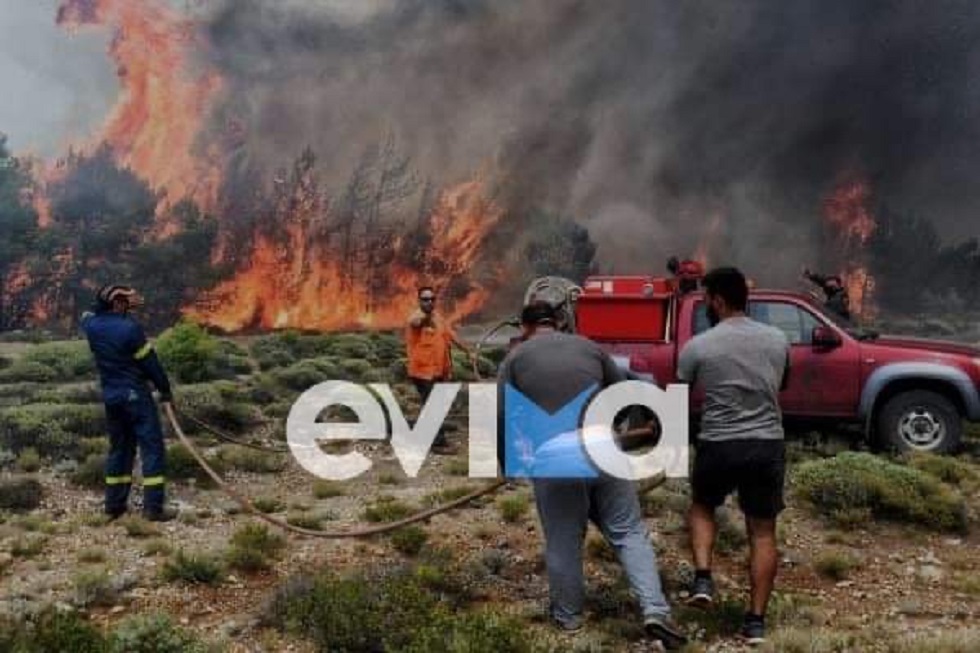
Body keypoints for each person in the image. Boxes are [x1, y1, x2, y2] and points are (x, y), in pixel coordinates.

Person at [496, 301, 687, 649]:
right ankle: (655, 610)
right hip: (604, 449)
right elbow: (624, 392)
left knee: (564, 539)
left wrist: (508, 463)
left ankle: (569, 618)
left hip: (554, 459)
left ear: (525, 327)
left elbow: (501, 415)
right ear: (558, 323)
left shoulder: (515, 359)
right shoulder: (589, 347)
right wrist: (629, 430)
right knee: (629, 532)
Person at [676, 267, 790, 646]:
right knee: (761, 532)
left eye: (707, 298)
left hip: (719, 443)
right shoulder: (777, 339)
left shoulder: (700, 345)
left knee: (702, 506)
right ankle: (755, 622)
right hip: (766, 443)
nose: (706, 304)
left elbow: (680, 391)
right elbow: (781, 384)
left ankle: (703, 577)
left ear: (718, 301)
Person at [81, 285, 176, 522]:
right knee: (152, 448)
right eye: (124, 301)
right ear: (116, 304)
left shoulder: (91, 326)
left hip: (112, 398)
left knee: (120, 449)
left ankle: (114, 506)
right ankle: (153, 508)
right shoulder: (130, 328)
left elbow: (89, 315)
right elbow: (150, 363)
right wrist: (165, 389)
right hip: (135, 396)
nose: (128, 305)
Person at [405, 286, 475, 451]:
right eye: (425, 299)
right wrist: (423, 318)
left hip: (438, 371)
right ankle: (438, 443)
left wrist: (468, 352)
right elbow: (415, 322)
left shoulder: (438, 318)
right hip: (422, 373)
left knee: (433, 404)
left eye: (432, 299)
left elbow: (451, 336)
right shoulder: (417, 317)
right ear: (419, 301)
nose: (429, 302)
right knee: (433, 406)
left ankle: (422, 430)